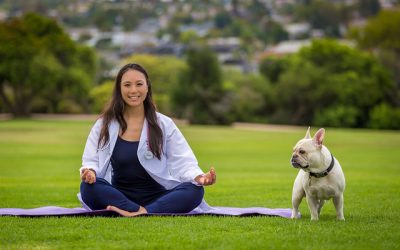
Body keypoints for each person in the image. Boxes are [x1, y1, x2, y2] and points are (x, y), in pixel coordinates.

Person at [78, 63, 216, 217]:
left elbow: (183, 161)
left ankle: (141, 211)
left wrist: (199, 177)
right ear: (119, 89)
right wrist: (89, 172)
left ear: (147, 87)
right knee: (88, 187)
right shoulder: (104, 124)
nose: (133, 90)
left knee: (195, 190)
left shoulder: (164, 124)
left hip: (158, 197)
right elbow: (90, 161)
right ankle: (138, 210)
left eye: (139, 84)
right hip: (119, 196)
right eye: (127, 85)